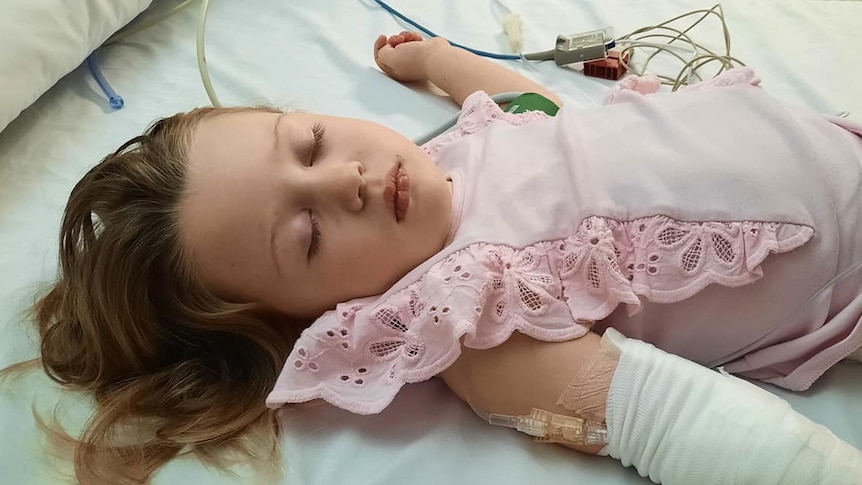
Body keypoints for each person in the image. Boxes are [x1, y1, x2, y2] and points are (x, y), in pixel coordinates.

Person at [10, 30, 862, 484]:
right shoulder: (480, 323)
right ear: (321, 323)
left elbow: (545, 115)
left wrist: (438, 63)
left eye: (308, 141)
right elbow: (682, 426)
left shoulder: (454, 152)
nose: (345, 178)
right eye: (306, 236)